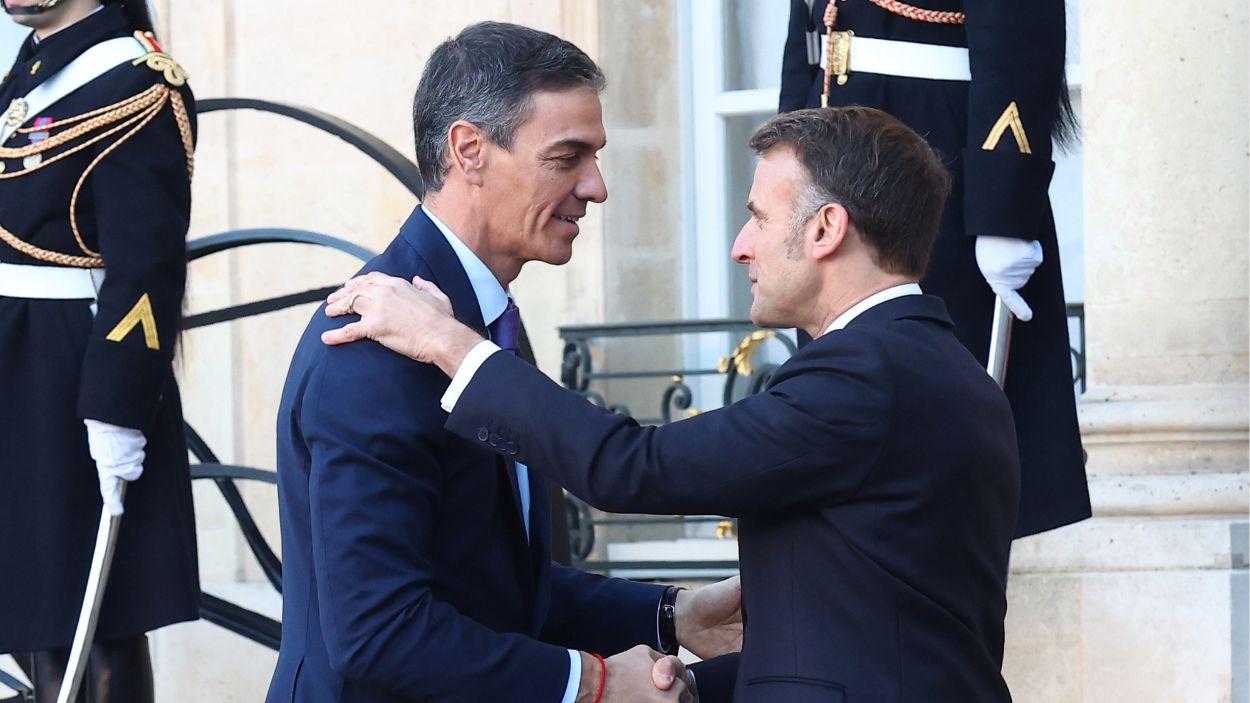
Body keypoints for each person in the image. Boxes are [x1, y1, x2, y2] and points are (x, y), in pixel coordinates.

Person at [323, 106, 1022, 702]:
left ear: (824, 230)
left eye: (758, 217)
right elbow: (869, 641)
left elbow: (633, 466)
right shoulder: (940, 367)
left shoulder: (865, 373)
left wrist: (451, 344)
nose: (740, 246)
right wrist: (677, 676)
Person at [268, 22, 742, 703]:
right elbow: (379, 633)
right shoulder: (372, 342)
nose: (597, 186)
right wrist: (596, 683)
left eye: (595, 156)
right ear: (470, 151)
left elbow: (499, 587)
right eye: (567, 156)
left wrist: (672, 614)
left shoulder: (474, 320)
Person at [780, 0, 1089, 537]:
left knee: (935, 443)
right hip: (834, 144)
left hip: (930, 156)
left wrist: (1002, 209)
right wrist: (785, 156)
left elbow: (1019, 29)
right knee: (842, 415)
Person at [0, 0, 198, 700]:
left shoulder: (138, 82)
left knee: (91, 618)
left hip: (69, 379)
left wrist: (117, 408)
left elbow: (145, 266)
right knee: (31, 608)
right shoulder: (32, 68)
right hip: (17, 371)